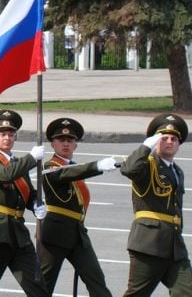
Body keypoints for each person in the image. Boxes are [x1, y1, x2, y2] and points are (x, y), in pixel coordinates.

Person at [0, 109, 49, 297]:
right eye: (2, 134)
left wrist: (35, 204)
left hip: (18, 233)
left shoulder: (17, 163)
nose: (7, 138)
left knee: (36, 285)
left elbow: (29, 191)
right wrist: (31, 158)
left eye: (11, 134)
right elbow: (6, 174)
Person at [40, 117, 116, 296]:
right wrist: (97, 165)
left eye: (70, 140)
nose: (65, 144)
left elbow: (74, 172)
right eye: (61, 140)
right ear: (53, 144)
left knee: (96, 280)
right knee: (44, 285)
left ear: (76, 145)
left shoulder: (74, 167)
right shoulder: (50, 166)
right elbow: (65, 174)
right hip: (56, 234)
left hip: (78, 234)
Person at [120, 113, 192, 296]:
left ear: (179, 143)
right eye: (164, 138)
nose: (169, 142)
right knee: (137, 293)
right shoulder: (146, 165)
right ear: (155, 141)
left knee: (187, 292)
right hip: (148, 244)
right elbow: (128, 169)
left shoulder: (177, 171)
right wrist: (145, 147)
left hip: (175, 247)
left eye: (174, 139)